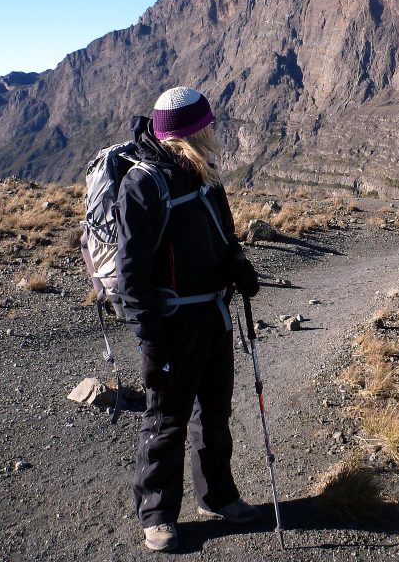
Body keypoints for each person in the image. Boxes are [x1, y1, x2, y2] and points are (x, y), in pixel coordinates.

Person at [112, 86, 262, 553]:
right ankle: (157, 515)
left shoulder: (205, 175)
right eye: (207, 126)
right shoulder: (143, 185)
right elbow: (130, 269)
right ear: (192, 131)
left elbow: (224, 235)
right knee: (166, 420)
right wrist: (148, 334)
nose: (214, 132)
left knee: (215, 414)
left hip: (213, 316)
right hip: (173, 324)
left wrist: (238, 267)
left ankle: (218, 496)